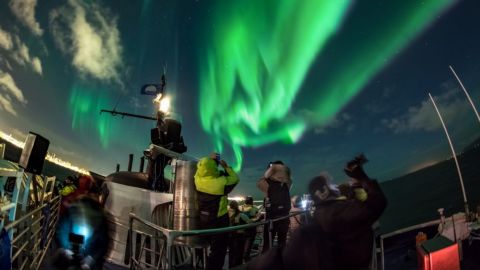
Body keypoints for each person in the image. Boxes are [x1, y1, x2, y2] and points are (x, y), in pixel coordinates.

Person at [308, 155, 387, 270]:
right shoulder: (338, 212)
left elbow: (354, 208)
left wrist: (356, 183)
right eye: (330, 183)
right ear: (321, 193)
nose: (335, 186)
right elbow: (378, 202)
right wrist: (361, 176)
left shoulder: (319, 213)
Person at [194, 155, 239, 270]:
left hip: (203, 219)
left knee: (203, 245)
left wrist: (210, 160)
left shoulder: (197, 178)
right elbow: (235, 179)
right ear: (215, 168)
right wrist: (226, 167)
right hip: (219, 220)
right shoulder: (221, 183)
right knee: (219, 250)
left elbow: (204, 167)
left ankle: (200, 264)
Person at [257, 161, 291, 252]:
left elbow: (259, 184)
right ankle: (281, 261)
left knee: (268, 244)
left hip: (271, 217)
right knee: (282, 243)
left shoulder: (267, 183)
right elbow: (288, 178)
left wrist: (269, 171)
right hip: (285, 217)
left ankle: (266, 263)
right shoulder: (287, 183)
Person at [228, 200, 253, 268]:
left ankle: (231, 267)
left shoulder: (228, 214)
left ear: (230, 206)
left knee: (231, 253)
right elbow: (250, 222)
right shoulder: (241, 215)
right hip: (239, 237)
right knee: (239, 253)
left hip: (230, 236)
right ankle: (238, 267)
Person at [240, 196, 260, 262]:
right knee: (247, 249)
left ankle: (242, 261)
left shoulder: (240, 207)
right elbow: (257, 218)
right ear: (252, 201)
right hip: (250, 230)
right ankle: (246, 261)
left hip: (240, 230)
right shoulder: (255, 208)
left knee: (241, 248)